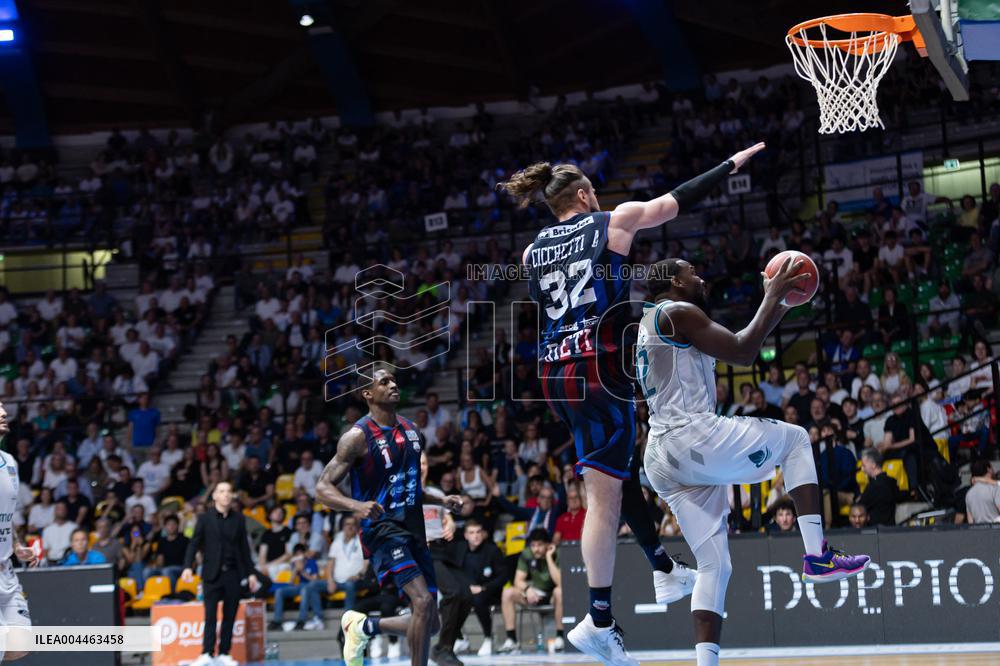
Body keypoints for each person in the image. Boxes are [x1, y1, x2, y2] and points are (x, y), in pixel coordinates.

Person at [502, 141, 757, 666]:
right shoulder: (612, 222)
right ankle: (599, 620)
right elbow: (678, 199)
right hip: (598, 365)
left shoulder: (531, 252)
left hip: (553, 370)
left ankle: (661, 569)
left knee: (612, 478)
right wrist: (730, 163)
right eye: (593, 192)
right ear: (582, 193)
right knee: (602, 499)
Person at [636, 257, 870, 666]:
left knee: (715, 565)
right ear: (674, 281)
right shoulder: (678, 311)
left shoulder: (655, 320)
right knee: (797, 440)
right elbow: (744, 352)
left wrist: (778, 304)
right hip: (691, 435)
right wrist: (774, 296)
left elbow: (745, 339)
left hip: (661, 454)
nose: (701, 276)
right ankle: (818, 555)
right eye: (693, 272)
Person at [315, 369, 463, 666]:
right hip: (382, 530)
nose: (394, 384)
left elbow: (410, 487)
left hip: (413, 528)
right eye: (384, 382)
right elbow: (322, 488)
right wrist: (356, 506)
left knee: (429, 622)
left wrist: (443, 500)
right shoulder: (356, 437)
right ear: (367, 394)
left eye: (393, 380)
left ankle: (363, 627)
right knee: (421, 602)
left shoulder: (412, 430)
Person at [181, 482, 259, 666]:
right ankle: (207, 653)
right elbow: (194, 543)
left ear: (232, 496)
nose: (225, 495)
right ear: (214, 496)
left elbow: (244, 549)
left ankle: (224, 652)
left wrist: (251, 573)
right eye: (221, 491)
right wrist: (187, 567)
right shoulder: (204, 519)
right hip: (211, 574)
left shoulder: (239, 519)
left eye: (229, 492)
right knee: (210, 616)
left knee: (230, 615)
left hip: (232, 574)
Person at [433, 519, 507, 658]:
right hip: (465, 590)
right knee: (447, 600)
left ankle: (488, 637)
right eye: (472, 532)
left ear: (483, 534)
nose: (476, 535)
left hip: (488, 591)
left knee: (478, 600)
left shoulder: (492, 550)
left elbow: (503, 576)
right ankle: (459, 637)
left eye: (478, 532)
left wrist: (484, 587)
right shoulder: (458, 549)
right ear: (466, 535)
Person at [499, 528, 564, 654]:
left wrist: (549, 558)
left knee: (559, 591)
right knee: (508, 592)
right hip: (535, 594)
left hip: (553, 595)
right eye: (533, 545)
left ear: (548, 544)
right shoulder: (527, 554)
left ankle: (560, 637)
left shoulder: (558, 553)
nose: (536, 549)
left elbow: (560, 583)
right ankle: (512, 640)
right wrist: (528, 589)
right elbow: (518, 580)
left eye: (540, 545)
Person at [327, 514, 366, 611]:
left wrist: (359, 575)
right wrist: (330, 580)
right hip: (337, 581)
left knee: (350, 585)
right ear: (343, 527)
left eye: (353, 524)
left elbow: (367, 562)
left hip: (355, 580)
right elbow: (330, 563)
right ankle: (317, 618)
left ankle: (347, 619)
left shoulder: (361, 541)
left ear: (357, 527)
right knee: (311, 586)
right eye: (347, 524)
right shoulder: (336, 542)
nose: (350, 526)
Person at [858, 449, 898, 526]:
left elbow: (860, 506)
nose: (862, 469)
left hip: (875, 529)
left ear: (873, 464)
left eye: (864, 465)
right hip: (890, 527)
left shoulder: (874, 486)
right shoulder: (891, 481)